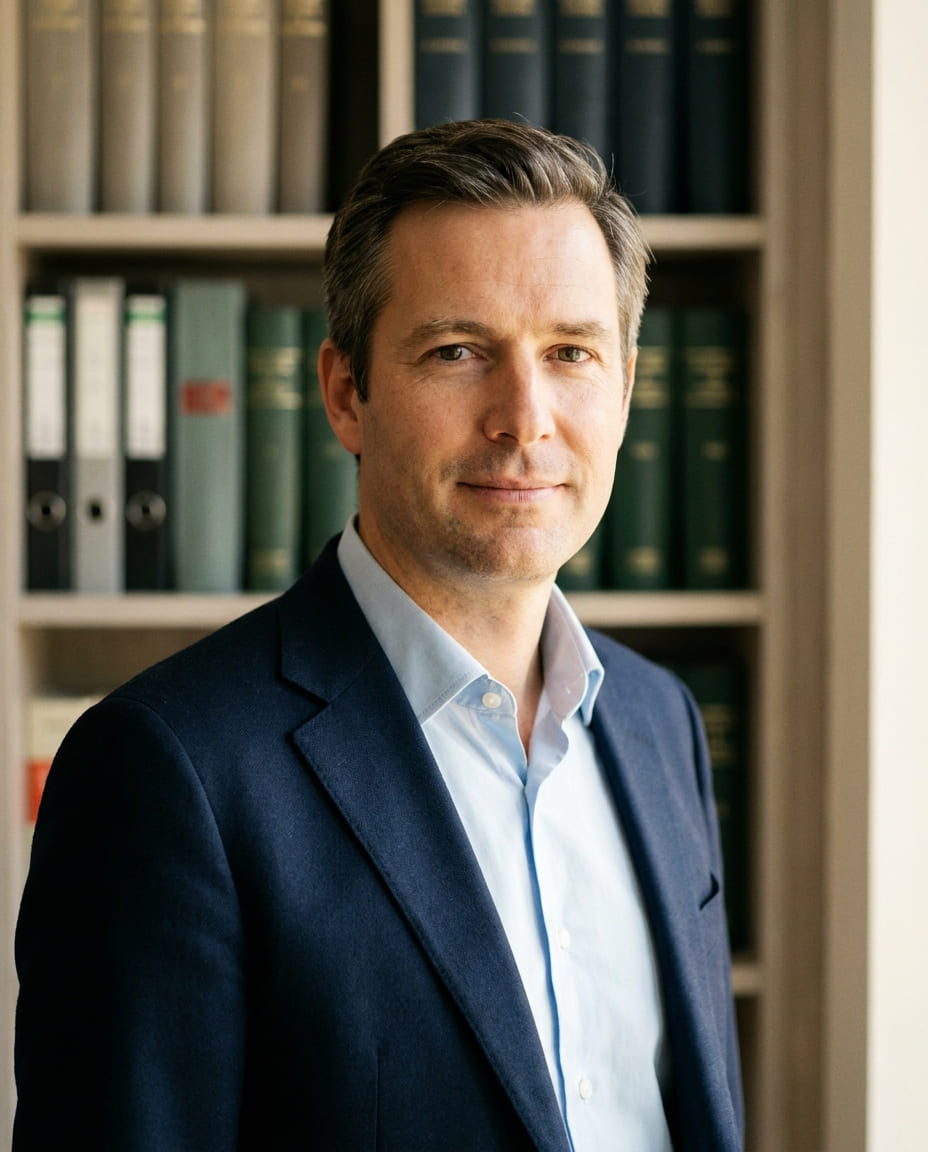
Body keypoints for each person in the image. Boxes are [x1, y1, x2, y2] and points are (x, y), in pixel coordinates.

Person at [14, 119, 743, 1151]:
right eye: (458, 351)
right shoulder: (166, 771)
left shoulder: (658, 724)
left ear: (624, 388)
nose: (524, 418)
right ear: (346, 393)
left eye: (570, 353)